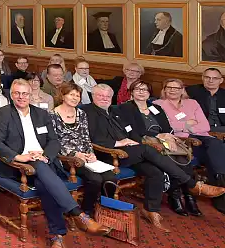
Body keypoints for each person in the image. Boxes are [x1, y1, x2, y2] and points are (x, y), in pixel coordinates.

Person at [0, 79, 110, 248]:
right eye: (16, 93)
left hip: (44, 163)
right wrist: (19, 157)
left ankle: (58, 236)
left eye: (25, 93)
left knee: (44, 182)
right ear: (11, 95)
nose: (21, 97)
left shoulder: (41, 114)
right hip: (18, 166)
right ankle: (78, 216)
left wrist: (45, 156)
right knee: (42, 172)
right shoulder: (3, 113)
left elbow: (54, 141)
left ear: (30, 95)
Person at [84, 84, 224, 230]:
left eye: (107, 96)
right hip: (108, 153)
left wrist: (132, 140)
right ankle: (191, 184)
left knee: (155, 172)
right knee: (147, 149)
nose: (104, 98)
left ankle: (151, 210)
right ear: (92, 96)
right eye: (100, 95)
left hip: (129, 151)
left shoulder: (114, 111)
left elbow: (129, 130)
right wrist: (120, 142)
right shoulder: (88, 112)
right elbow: (91, 138)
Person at [115, 80, 203, 217]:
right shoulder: (125, 108)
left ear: (149, 93)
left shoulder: (155, 107)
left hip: (163, 141)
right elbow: (133, 132)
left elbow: (167, 128)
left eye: (145, 89)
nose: (141, 92)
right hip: (145, 143)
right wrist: (158, 136)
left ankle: (188, 197)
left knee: (183, 160)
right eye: (137, 89)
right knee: (173, 162)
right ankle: (176, 197)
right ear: (131, 92)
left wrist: (168, 137)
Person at [49, 82, 114, 216]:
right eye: (71, 95)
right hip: (66, 158)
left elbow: (86, 137)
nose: (75, 98)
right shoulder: (52, 115)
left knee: (110, 177)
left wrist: (90, 153)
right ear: (63, 96)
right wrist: (75, 154)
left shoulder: (81, 114)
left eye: (77, 96)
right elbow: (54, 142)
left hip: (85, 156)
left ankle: (105, 209)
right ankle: (86, 212)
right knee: (95, 179)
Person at [154, 79, 225, 185]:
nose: (173, 90)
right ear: (164, 90)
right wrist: (188, 123)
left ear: (182, 90)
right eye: (169, 87)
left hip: (201, 136)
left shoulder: (192, 103)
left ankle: (219, 179)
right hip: (180, 139)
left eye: (177, 88)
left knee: (216, 143)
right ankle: (218, 182)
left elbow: (205, 126)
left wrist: (183, 126)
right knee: (209, 153)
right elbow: (165, 126)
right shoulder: (157, 105)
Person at [186, 68, 225, 133]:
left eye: (215, 78)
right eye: (207, 77)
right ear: (202, 78)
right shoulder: (191, 91)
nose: (211, 81)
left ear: (221, 80)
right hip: (199, 128)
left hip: (222, 128)